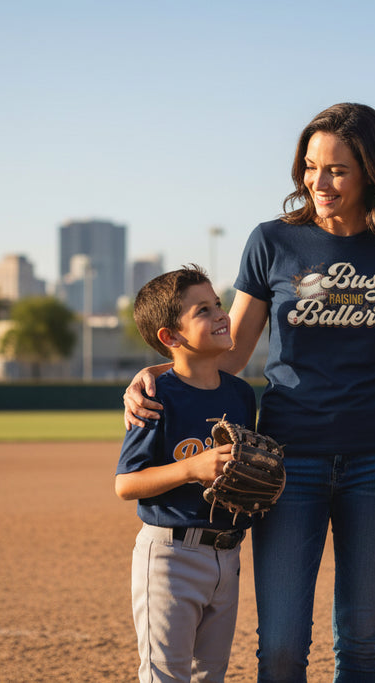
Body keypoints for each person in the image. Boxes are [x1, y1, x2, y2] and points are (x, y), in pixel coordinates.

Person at [124, 103, 375, 683]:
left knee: (360, 646)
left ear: (371, 172)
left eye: (337, 170)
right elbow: (233, 355)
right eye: (311, 166)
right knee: (284, 649)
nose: (319, 182)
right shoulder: (271, 242)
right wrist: (152, 374)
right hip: (289, 460)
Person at [115, 264, 257, 683]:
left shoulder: (241, 394)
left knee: (208, 676)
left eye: (218, 304)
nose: (220, 314)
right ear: (170, 337)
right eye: (202, 310)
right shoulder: (158, 396)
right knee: (166, 676)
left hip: (227, 554)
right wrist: (191, 468)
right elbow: (126, 483)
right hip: (171, 557)